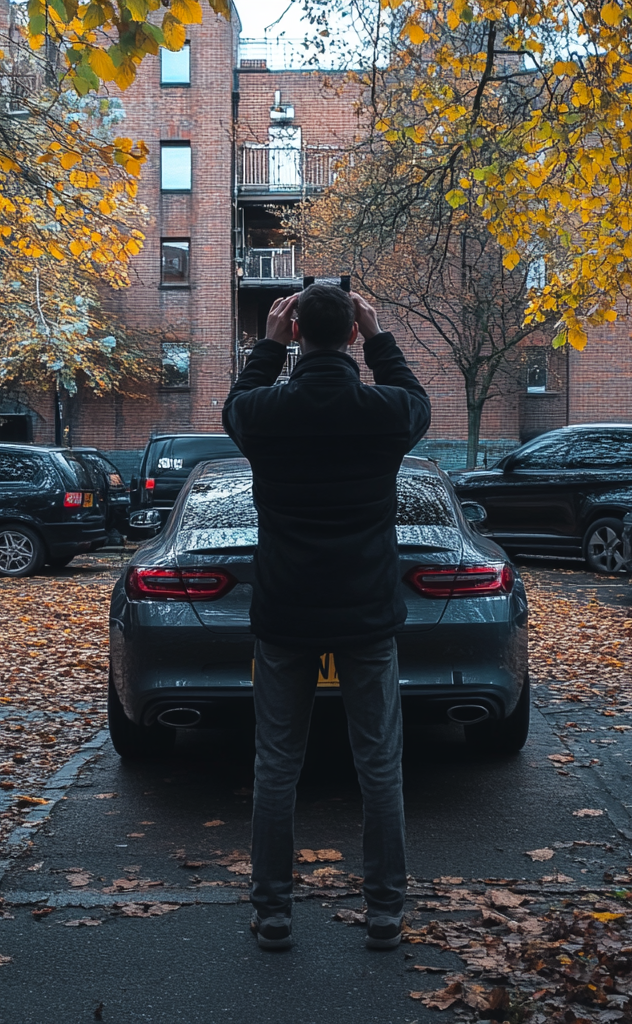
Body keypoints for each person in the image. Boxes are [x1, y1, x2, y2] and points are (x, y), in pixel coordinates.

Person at [222, 285, 431, 952]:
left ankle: (274, 913)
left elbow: (234, 408)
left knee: (277, 766)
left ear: (295, 333)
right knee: (380, 765)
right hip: (366, 612)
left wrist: (267, 345)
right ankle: (385, 912)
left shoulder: (264, 412)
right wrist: (380, 335)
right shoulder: (385, 410)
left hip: (285, 611)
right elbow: (418, 402)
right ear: (348, 338)